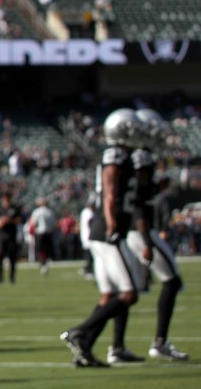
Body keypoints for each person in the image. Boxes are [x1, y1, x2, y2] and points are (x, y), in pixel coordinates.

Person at [60, 109, 142, 368]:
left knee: (109, 295)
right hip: (108, 229)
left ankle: (84, 349)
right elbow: (109, 191)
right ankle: (80, 332)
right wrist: (112, 222)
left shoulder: (123, 154)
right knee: (129, 293)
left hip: (105, 229)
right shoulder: (115, 154)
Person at [129, 109, 187, 361]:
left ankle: (150, 343)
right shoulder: (140, 157)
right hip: (141, 229)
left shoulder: (136, 156)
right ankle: (159, 342)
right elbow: (138, 199)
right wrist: (144, 240)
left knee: (128, 291)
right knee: (171, 281)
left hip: (140, 229)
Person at [0, 193, 21, 284]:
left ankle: (12, 277)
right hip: (1, 235)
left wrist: (9, 220)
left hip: (11, 235)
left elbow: (19, 220)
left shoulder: (14, 208)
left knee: (12, 257)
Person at [27, 197, 57, 276]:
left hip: (39, 233)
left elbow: (33, 223)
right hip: (48, 232)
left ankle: (42, 263)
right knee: (47, 249)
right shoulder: (50, 212)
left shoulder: (36, 212)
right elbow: (54, 224)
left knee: (40, 249)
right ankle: (45, 263)